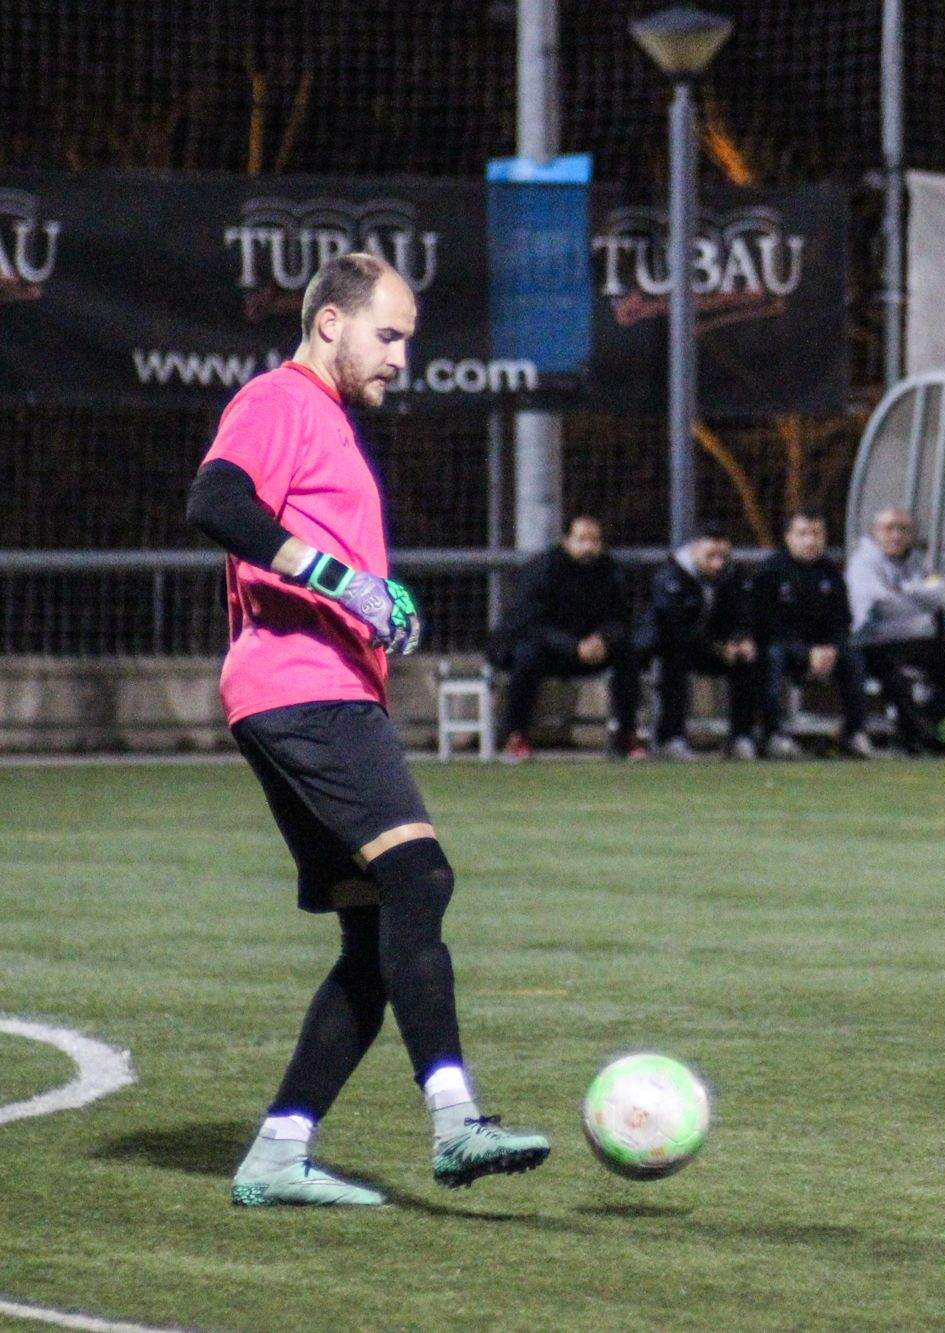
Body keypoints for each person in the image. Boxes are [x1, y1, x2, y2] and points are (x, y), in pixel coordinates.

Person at [185, 252, 548, 1207]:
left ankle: (277, 1151)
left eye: (408, 341)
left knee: (374, 935)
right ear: (331, 323)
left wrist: (372, 607)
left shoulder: (330, 424)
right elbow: (215, 502)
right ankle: (457, 1118)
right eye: (388, 335)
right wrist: (342, 581)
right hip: (305, 691)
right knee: (420, 876)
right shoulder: (281, 397)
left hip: (311, 687)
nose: (400, 358)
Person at [487, 514, 643, 763]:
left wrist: (601, 639)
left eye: (594, 540)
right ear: (566, 541)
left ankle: (626, 735)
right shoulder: (542, 570)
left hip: (589, 652)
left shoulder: (608, 571)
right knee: (527, 654)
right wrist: (573, 646)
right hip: (548, 650)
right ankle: (515, 735)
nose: (588, 547)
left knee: (627, 652)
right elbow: (531, 624)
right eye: (581, 539)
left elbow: (621, 618)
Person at [845, 505, 945, 756]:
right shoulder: (863, 564)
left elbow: (941, 594)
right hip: (873, 642)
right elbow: (880, 607)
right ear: (875, 532)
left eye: (903, 529)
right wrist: (917, 603)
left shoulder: (917, 561)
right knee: (895, 678)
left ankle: (924, 728)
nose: (896, 535)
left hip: (915, 640)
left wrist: (903, 596)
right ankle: (917, 736)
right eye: (889, 529)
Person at [749, 513, 875, 759]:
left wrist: (833, 648)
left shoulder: (830, 573)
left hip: (824, 650)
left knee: (854, 659)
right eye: (802, 534)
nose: (810, 541)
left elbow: (842, 620)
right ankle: (773, 734)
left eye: (816, 533)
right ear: (788, 538)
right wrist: (806, 652)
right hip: (785, 647)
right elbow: (766, 625)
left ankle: (854, 733)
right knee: (771, 657)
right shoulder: (770, 572)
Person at [644, 529, 761, 761]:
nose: (718, 564)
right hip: (676, 647)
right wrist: (717, 648)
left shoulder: (735, 576)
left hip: (715, 649)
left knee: (749, 660)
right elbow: (675, 630)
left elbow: (743, 616)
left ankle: (741, 737)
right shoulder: (670, 577)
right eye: (710, 556)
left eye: (723, 557)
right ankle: (670, 738)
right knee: (672, 660)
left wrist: (741, 640)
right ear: (695, 549)